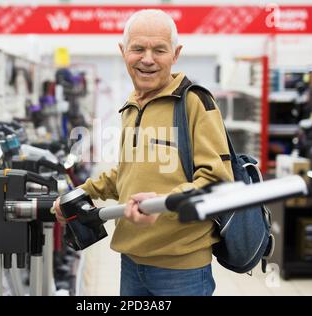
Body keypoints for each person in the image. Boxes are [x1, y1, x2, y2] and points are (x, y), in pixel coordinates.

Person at [54, 9, 233, 296]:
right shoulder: (132, 105)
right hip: (132, 261)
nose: (147, 59)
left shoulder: (194, 102)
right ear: (123, 51)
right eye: (138, 48)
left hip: (180, 269)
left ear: (175, 54)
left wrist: (163, 202)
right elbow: (128, 172)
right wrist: (78, 193)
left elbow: (217, 181)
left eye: (159, 49)